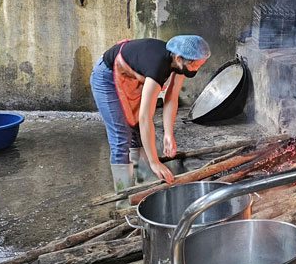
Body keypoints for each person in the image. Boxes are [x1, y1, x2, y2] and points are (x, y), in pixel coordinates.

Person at [90, 35, 210, 193]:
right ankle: (123, 196)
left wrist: (168, 134)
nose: (197, 69)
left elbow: (171, 99)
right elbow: (146, 118)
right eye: (195, 65)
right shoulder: (157, 67)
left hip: (130, 77)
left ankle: (141, 185)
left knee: (137, 131)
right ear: (180, 58)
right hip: (106, 77)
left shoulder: (178, 60)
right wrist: (154, 162)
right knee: (121, 136)